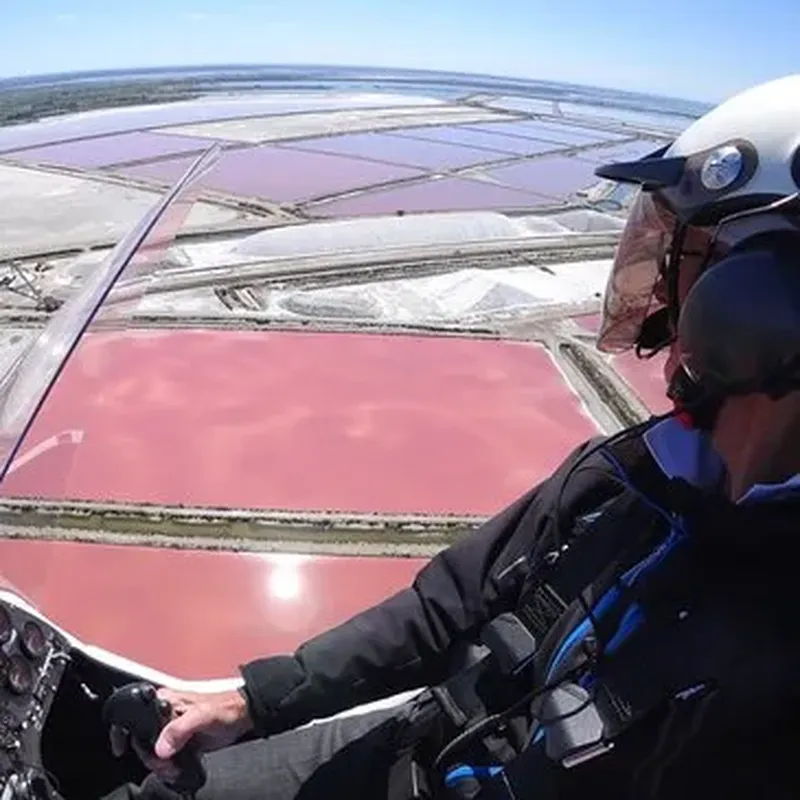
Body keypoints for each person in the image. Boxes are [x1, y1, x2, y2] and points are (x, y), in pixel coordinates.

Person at [104, 74, 800, 800]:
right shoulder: (634, 467)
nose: (662, 289)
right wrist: (252, 702)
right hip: (420, 748)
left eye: (686, 259)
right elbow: (444, 608)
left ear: (765, 304)